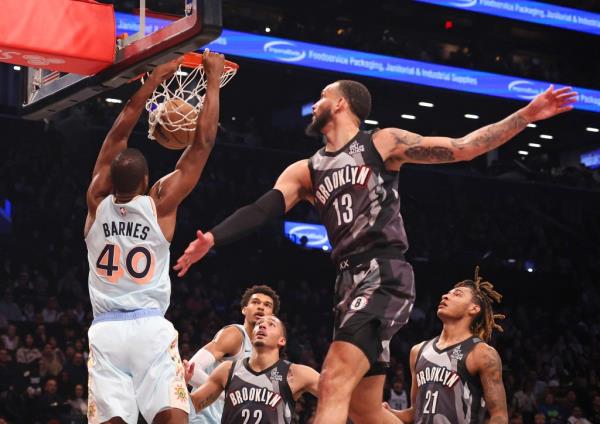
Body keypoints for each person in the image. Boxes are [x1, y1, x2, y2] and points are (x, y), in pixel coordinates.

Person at [174, 79, 576, 423]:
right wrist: (214, 238)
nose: (314, 104)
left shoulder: (381, 143)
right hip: (346, 281)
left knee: (332, 379)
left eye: (322, 96)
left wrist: (525, 115)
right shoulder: (307, 169)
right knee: (365, 411)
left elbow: (462, 147)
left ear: (342, 103)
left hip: (383, 271)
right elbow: (264, 207)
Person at [84, 49, 224, 424]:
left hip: (106, 330)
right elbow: (203, 144)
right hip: (150, 327)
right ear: (148, 183)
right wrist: (212, 79)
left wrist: (154, 78)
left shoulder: (96, 203)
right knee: (172, 417)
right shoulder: (159, 204)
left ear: (108, 179)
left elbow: (121, 129)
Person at [384, 269, 508, 423]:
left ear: (474, 309)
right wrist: (389, 412)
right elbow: (416, 413)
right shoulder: (418, 351)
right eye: (447, 293)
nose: (445, 296)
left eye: (457, 294)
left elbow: (499, 416)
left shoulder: (482, 353)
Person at [188, 315, 319, 423]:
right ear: (251, 337)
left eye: (271, 324)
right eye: (259, 323)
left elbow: (337, 395)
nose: (262, 325)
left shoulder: (295, 373)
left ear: (282, 341)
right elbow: (192, 405)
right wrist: (178, 383)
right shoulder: (227, 370)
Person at [188, 284, 280, 424]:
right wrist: (230, 395)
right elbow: (192, 370)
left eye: (267, 305)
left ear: (272, 317)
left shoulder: (264, 357)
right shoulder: (235, 335)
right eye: (255, 302)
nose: (261, 307)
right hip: (202, 419)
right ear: (244, 309)